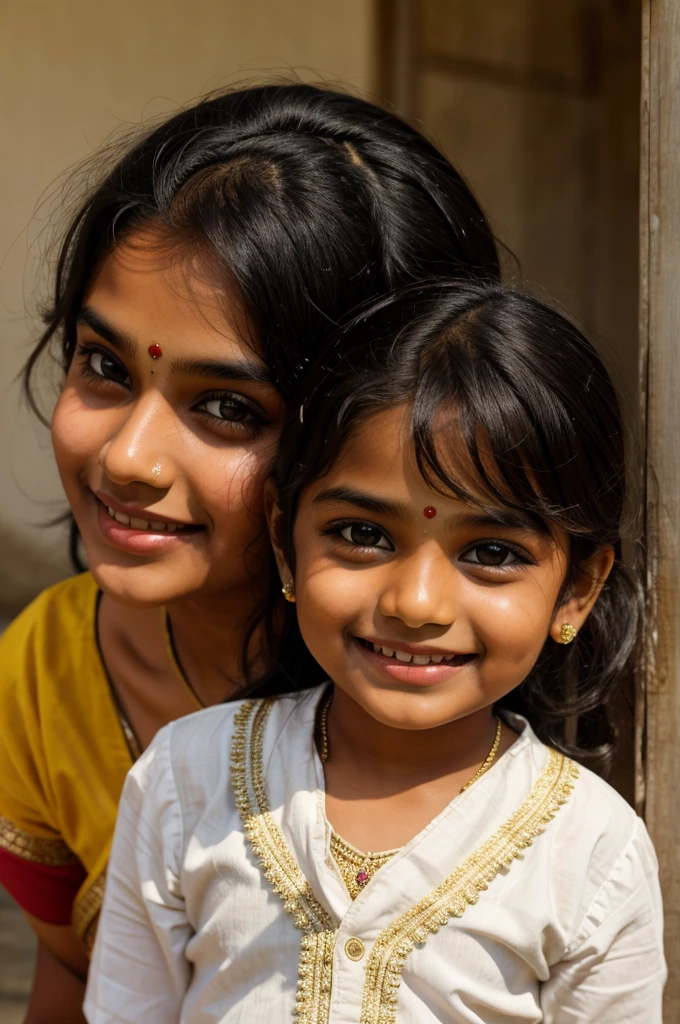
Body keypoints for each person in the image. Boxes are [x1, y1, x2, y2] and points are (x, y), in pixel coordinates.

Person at [0, 85, 500, 1021]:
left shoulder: (457, 701)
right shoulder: (40, 674)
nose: (128, 457)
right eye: (105, 365)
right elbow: (70, 974)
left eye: (228, 407)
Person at [86, 282, 665, 1023]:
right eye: (362, 534)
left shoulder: (591, 852)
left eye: (490, 552)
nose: (414, 604)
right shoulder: (184, 781)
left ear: (577, 590)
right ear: (283, 540)